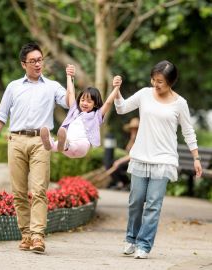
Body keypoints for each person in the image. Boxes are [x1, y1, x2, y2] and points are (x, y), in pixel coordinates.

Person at [0, 42, 74, 254]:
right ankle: (25, 234)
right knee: (18, 192)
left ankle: (37, 236)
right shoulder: (13, 87)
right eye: (32, 61)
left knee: (40, 190)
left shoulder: (52, 86)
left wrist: (70, 78)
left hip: (41, 142)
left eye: (40, 60)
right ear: (23, 64)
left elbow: (71, 103)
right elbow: (0, 116)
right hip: (15, 141)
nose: (37, 64)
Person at [114, 60, 202, 259]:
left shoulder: (180, 103)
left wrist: (196, 157)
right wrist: (117, 90)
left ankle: (144, 245)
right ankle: (131, 238)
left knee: (153, 204)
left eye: (160, 81)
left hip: (164, 160)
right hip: (141, 156)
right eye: (153, 80)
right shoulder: (144, 94)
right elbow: (121, 108)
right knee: (135, 201)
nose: (155, 84)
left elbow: (188, 131)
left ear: (171, 81)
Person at [40, 65, 122, 158]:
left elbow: (108, 102)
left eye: (89, 101)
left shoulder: (96, 115)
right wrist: (69, 76)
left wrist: (116, 87)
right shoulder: (74, 110)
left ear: (95, 104)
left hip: (82, 146)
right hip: (68, 146)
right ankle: (49, 144)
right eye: (82, 100)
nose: (84, 103)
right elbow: (70, 92)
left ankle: (63, 144)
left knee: (72, 144)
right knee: (59, 144)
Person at [108, 117, 139, 190]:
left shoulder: (141, 138)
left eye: (135, 128)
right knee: (111, 162)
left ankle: (126, 184)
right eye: (132, 128)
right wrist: (132, 139)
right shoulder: (133, 138)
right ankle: (120, 183)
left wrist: (120, 161)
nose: (133, 130)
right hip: (130, 160)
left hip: (136, 161)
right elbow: (127, 150)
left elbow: (134, 154)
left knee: (120, 164)